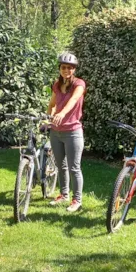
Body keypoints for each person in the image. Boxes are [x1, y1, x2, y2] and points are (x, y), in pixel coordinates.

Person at [47, 52, 86, 212]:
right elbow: (52, 103)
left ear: (74, 70)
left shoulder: (79, 84)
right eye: (64, 67)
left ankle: (77, 200)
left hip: (72, 132)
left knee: (74, 167)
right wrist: (49, 116)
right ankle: (64, 195)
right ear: (60, 68)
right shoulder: (57, 84)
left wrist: (62, 113)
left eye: (70, 68)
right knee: (60, 166)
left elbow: (73, 100)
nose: (66, 70)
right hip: (56, 132)